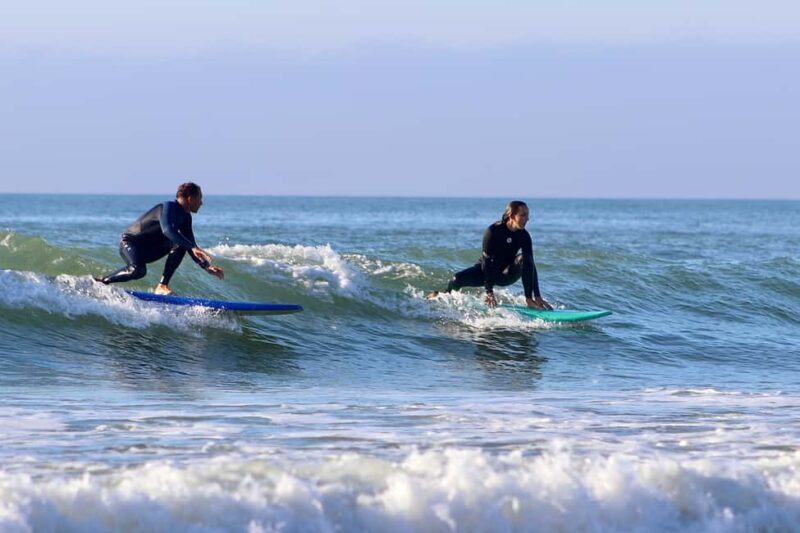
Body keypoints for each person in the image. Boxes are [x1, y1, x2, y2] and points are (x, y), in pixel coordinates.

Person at [94, 182, 224, 295]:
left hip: (149, 248)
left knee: (181, 244)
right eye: (200, 198)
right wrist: (192, 247)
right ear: (190, 198)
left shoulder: (186, 217)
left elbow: (190, 244)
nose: (201, 203)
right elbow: (168, 230)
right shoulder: (168, 207)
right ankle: (103, 281)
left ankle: (162, 286)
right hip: (131, 242)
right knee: (138, 270)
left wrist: (206, 267)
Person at [427, 200, 552, 309]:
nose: (527, 219)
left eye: (527, 215)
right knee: (456, 279)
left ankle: (529, 300)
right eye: (523, 215)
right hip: (486, 271)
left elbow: (530, 265)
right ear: (511, 215)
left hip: (506, 274)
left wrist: (537, 295)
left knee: (525, 258)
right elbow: (486, 263)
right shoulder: (493, 231)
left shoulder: (524, 236)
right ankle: (444, 297)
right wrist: (489, 292)